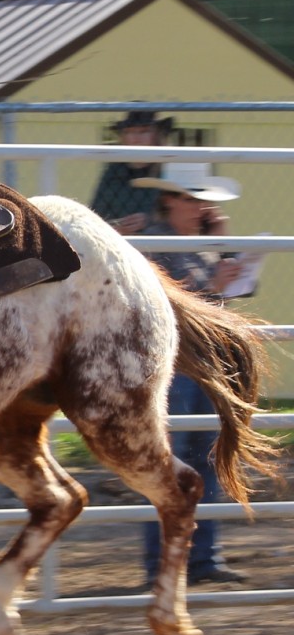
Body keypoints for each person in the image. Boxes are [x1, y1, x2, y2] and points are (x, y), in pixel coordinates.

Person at [132, 162, 248, 586]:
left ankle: (202, 560)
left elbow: (222, 301)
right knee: (171, 462)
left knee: (205, 459)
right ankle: (164, 563)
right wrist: (216, 282)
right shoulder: (151, 244)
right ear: (170, 200)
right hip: (171, 368)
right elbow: (173, 307)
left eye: (204, 201)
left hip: (202, 366)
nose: (200, 207)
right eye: (193, 198)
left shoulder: (201, 244)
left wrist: (225, 247)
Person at [90, 109, 173, 235]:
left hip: (164, 246)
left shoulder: (170, 169)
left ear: (157, 135)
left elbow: (185, 218)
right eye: (130, 132)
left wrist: (151, 220)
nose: (137, 138)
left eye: (144, 131)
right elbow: (94, 216)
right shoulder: (114, 172)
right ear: (123, 137)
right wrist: (117, 228)